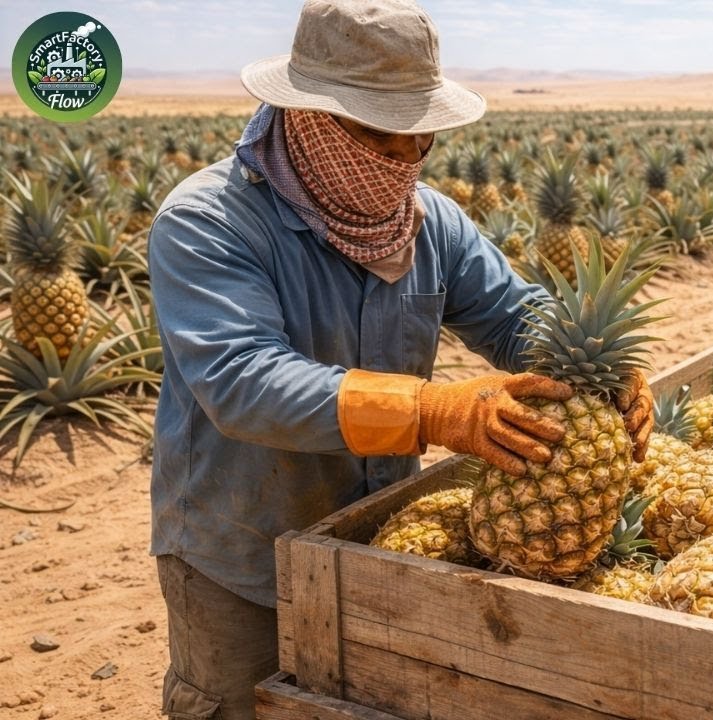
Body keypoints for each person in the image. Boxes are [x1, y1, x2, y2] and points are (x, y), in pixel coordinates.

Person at [146, 1, 653, 717]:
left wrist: (598, 367)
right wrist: (430, 409)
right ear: (308, 117)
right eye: (377, 135)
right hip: (241, 556)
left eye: (419, 141)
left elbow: (513, 314)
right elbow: (242, 382)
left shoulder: (430, 218)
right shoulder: (208, 223)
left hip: (382, 541)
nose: (402, 161)